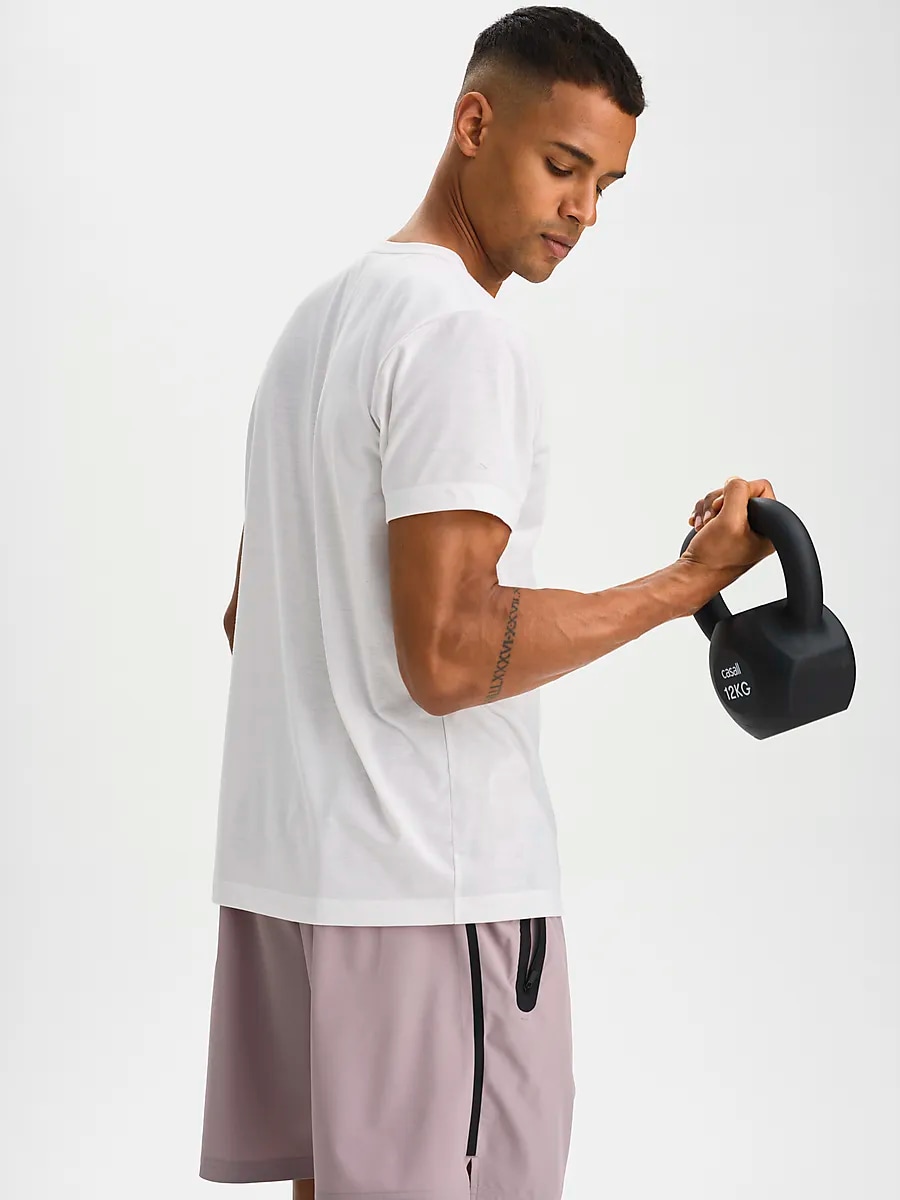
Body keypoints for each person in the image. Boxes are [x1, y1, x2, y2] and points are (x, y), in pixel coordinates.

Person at [198, 7, 777, 1199]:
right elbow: (450, 656)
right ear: (474, 123)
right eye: (564, 165)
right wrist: (688, 585)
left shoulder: (313, 328)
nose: (584, 210)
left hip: (300, 887)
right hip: (430, 895)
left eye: (606, 185)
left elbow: (250, 622)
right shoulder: (461, 334)